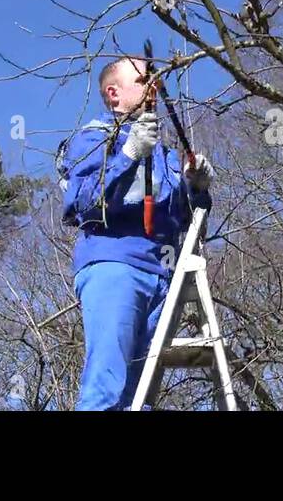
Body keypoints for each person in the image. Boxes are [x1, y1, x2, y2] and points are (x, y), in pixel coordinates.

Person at [60, 56, 214, 410]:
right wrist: (128, 154)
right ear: (113, 94)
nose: (154, 87)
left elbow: (188, 223)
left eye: (157, 80)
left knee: (139, 398)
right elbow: (80, 203)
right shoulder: (95, 138)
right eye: (144, 80)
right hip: (116, 267)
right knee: (106, 387)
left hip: (162, 276)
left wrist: (197, 189)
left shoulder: (165, 155)